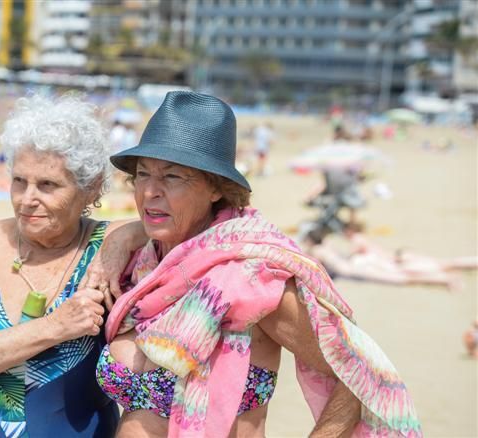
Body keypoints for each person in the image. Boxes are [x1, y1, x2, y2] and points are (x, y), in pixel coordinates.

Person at [86, 92, 420, 437]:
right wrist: (120, 238)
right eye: (143, 175)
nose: (150, 191)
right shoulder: (144, 266)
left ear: (216, 188)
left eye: (172, 177)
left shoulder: (253, 279)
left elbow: (356, 374)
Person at [0, 94, 120, 437]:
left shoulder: (110, 249)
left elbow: (166, 227)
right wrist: (55, 327)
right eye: (19, 181)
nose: (27, 199)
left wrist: (126, 237)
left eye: (48, 185)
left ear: (91, 188)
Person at [300, 219, 476, 291]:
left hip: (374, 265)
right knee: (440, 265)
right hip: (386, 260)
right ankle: (449, 278)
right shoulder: (327, 245)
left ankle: (448, 280)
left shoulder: (319, 250)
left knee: (407, 277)